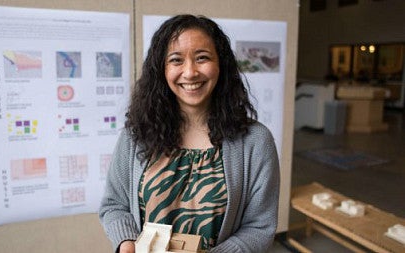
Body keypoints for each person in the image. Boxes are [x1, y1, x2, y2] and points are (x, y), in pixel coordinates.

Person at [99, 14, 280, 253]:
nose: (190, 72)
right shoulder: (137, 134)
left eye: (202, 58)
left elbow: (260, 227)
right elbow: (114, 204)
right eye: (176, 60)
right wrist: (126, 243)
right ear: (162, 69)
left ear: (221, 64)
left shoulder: (256, 141)